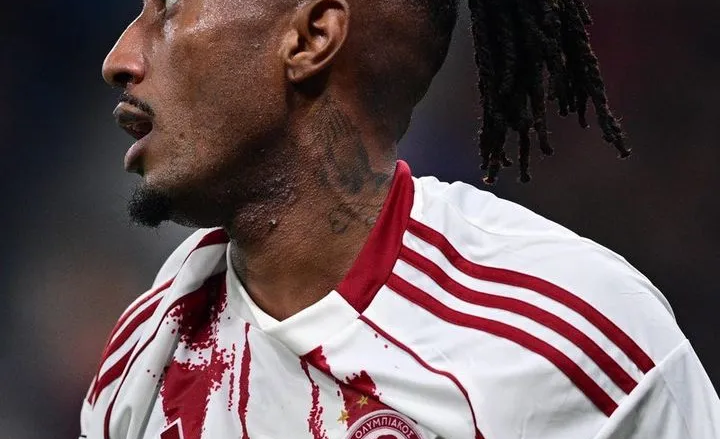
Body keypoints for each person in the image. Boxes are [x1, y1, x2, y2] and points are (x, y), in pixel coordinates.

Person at [81, 0, 720, 438]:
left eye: (168, 8)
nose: (120, 59)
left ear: (311, 37)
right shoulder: (143, 357)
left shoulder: (574, 337)